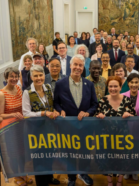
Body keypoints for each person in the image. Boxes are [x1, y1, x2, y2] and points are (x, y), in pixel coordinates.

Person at [54, 54, 98, 186]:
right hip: (68, 126)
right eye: (76, 65)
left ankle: (83, 173)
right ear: (70, 65)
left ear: (83, 67)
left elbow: (94, 104)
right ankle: (72, 177)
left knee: (85, 151)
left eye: (80, 65)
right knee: (69, 153)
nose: (78, 67)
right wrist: (59, 110)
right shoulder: (60, 84)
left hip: (85, 126)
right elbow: (56, 103)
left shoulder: (89, 84)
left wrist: (87, 113)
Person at [95, 76, 136, 186]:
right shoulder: (102, 101)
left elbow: (135, 117)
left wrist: (130, 115)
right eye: (110, 86)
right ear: (107, 87)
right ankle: (109, 181)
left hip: (123, 137)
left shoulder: (127, 100)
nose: (113, 88)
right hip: (106, 137)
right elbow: (96, 117)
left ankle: (119, 181)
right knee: (106, 158)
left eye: (115, 86)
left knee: (123, 159)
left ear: (120, 87)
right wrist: (99, 116)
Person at [22, 65, 60, 186]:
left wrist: (55, 111)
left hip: (50, 129)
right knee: (39, 158)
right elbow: (26, 113)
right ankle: (41, 183)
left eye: (41, 75)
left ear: (44, 76)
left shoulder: (48, 87)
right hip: (36, 131)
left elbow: (52, 105)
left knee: (49, 155)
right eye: (36, 76)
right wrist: (43, 113)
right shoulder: (27, 92)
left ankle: (49, 177)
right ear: (31, 77)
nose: (39, 78)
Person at [0, 67, 30, 185]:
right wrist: (12, 114)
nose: (14, 79)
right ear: (6, 78)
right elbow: (0, 115)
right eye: (11, 76)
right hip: (9, 128)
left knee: (23, 151)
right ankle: (17, 177)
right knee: (13, 153)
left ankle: (24, 174)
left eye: (16, 76)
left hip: (21, 126)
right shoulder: (1, 94)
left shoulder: (19, 88)